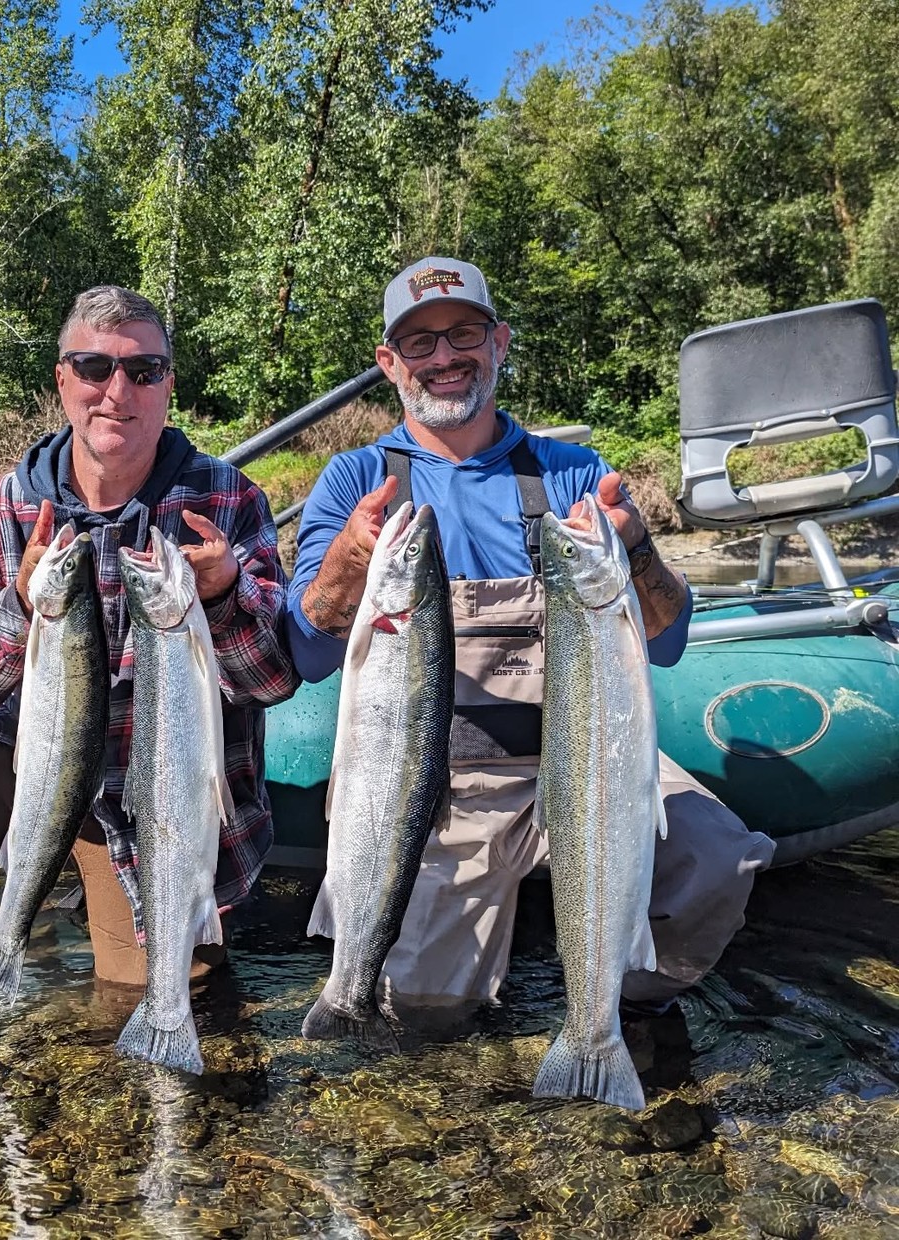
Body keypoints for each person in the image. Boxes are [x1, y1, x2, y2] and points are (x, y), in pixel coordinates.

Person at [286, 256, 776, 1010]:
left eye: (464, 335)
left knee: (717, 860)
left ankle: (619, 1012)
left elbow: (668, 643)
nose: (445, 358)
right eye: (420, 344)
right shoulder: (356, 483)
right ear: (390, 364)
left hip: (588, 760)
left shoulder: (571, 474)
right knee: (422, 1013)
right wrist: (352, 560)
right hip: (436, 785)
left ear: (500, 342)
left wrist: (635, 549)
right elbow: (308, 652)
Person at [0, 285, 299, 1036]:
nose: (116, 390)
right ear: (62, 380)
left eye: (143, 371)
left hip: (158, 805)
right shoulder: (0, 510)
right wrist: (19, 608)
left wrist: (222, 598)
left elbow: (272, 681)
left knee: (157, 1007)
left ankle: (90, 903)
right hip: (32, 777)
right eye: (93, 367)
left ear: (167, 386)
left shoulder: (227, 502)